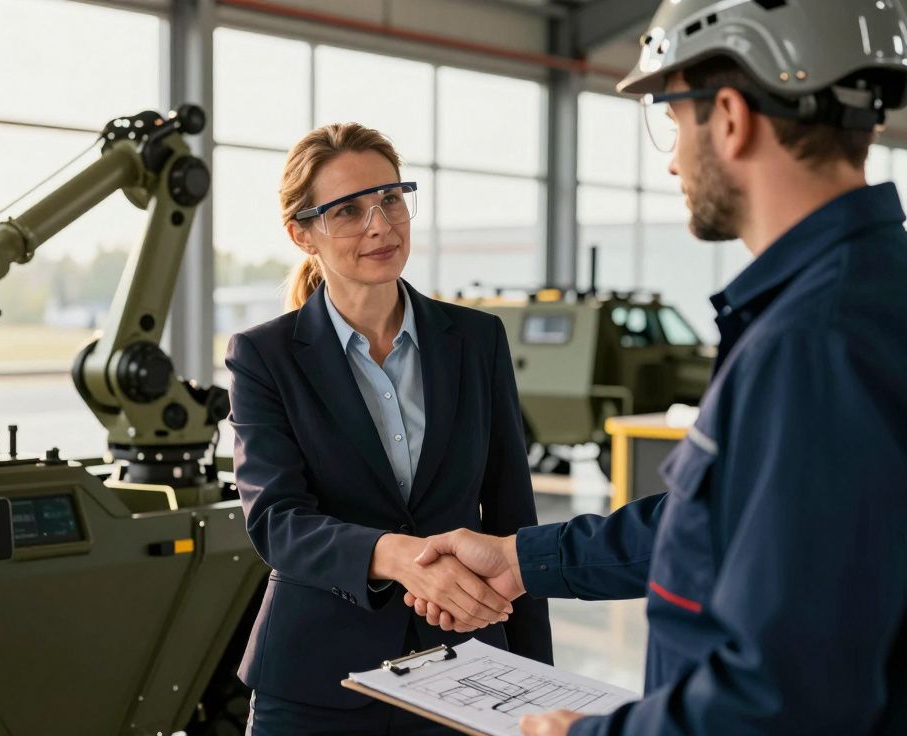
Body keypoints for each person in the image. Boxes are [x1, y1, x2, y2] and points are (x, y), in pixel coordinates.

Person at [403, 1, 907, 734]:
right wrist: (525, 559)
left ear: (729, 116)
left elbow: (786, 699)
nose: (671, 157)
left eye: (672, 118)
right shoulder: (860, 298)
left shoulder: (813, 343)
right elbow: (723, 527)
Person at [226, 122, 553, 734]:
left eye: (391, 199)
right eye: (347, 210)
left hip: (469, 665)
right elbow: (277, 521)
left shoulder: (476, 340)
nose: (380, 225)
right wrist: (399, 557)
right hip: (316, 678)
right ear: (303, 234)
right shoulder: (264, 355)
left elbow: (512, 514)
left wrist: (538, 678)